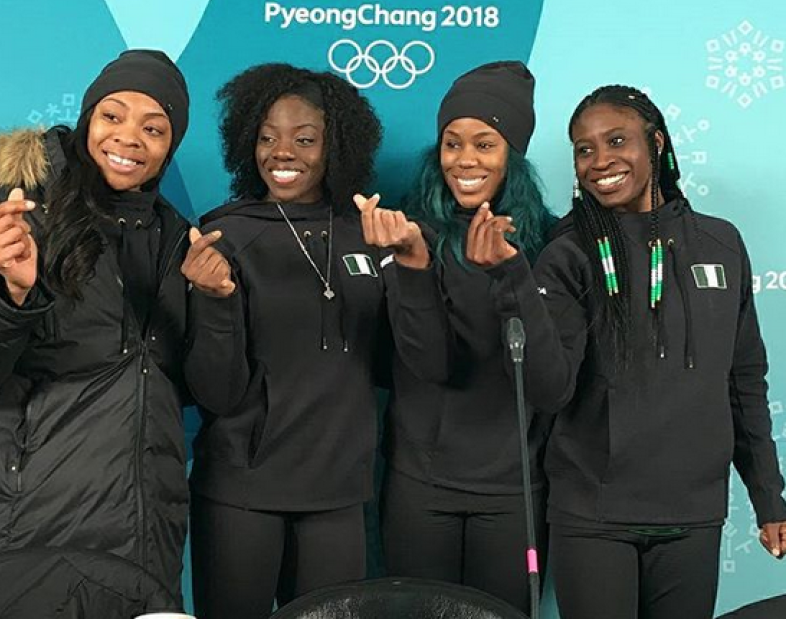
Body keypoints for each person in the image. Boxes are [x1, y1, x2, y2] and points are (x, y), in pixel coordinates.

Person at [477, 85, 786, 618]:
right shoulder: (568, 252)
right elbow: (551, 389)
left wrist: (768, 497)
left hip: (692, 517)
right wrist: (512, 280)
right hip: (593, 518)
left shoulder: (720, 244)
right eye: (584, 149)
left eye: (616, 140)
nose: (601, 161)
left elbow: (743, 381)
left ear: (657, 144)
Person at [0, 49, 219, 603]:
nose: (129, 137)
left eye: (154, 127)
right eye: (113, 116)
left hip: (144, 534)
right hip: (27, 524)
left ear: (170, 147)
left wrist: (217, 307)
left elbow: (186, 387)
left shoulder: (175, 237)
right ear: (89, 117)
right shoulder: (18, 212)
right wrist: (9, 292)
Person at [185, 62, 447, 619]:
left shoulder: (370, 234)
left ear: (336, 147)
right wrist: (213, 304)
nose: (283, 153)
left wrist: (412, 270)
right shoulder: (222, 234)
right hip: (242, 492)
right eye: (267, 137)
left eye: (305, 139)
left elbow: (414, 365)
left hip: (339, 495)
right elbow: (215, 392)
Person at [379, 61, 557, 612]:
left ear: (512, 156)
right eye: (452, 143)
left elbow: (550, 385)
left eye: (485, 144)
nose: (466, 160)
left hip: (513, 492)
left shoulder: (552, 244)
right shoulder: (411, 233)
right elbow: (429, 363)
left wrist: (511, 274)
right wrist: (412, 267)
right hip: (420, 486)